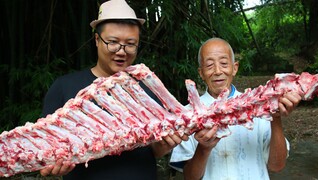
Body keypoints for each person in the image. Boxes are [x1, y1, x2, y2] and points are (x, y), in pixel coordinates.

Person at [39, 0, 187, 179]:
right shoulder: (64, 88)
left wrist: (164, 146)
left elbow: (151, 150)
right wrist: (51, 164)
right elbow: (44, 152)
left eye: (130, 44)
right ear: (96, 40)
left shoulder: (149, 90)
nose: (121, 51)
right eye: (113, 42)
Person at [169, 37, 302, 180]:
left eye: (224, 63)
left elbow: (277, 166)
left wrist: (275, 118)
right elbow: (189, 177)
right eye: (209, 66)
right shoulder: (187, 114)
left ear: (235, 68)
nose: (218, 71)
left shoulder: (258, 105)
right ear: (201, 73)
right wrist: (203, 148)